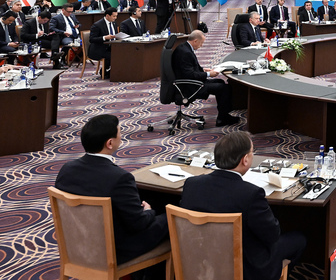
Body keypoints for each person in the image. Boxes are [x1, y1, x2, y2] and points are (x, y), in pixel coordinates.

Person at [180, 131, 305, 280]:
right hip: (244, 269)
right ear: (245, 160)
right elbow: (272, 235)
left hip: (200, 261)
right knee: (299, 239)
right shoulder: (251, 194)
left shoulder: (191, 185)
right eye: (252, 152)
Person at [54, 114, 168, 263]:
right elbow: (138, 224)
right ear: (110, 143)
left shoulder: (66, 170)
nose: (121, 137)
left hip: (77, 245)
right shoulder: (120, 178)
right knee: (172, 217)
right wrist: (148, 211)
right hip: (114, 251)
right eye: (120, 133)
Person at [173, 29, 237, 126]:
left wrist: (203, 70)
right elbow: (189, 75)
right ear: (195, 41)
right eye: (201, 43)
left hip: (190, 81)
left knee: (220, 82)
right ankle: (222, 118)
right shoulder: (186, 53)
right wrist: (208, 74)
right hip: (190, 86)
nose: (201, 45)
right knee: (224, 88)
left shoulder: (184, 47)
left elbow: (189, 69)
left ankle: (224, 114)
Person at [50, 2, 82, 69]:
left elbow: (79, 23)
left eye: (71, 11)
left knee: (86, 41)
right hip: (65, 36)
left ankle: (80, 58)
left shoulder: (72, 16)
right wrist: (63, 32)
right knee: (68, 43)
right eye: (68, 12)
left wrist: (78, 25)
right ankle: (62, 58)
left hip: (76, 35)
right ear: (63, 10)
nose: (70, 13)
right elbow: (52, 28)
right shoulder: (56, 18)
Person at [88, 8, 118, 77]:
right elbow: (92, 39)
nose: (115, 18)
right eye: (114, 16)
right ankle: (104, 72)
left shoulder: (114, 23)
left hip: (111, 47)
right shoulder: (97, 25)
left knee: (123, 53)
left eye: (116, 16)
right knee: (113, 56)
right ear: (107, 16)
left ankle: (114, 71)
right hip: (99, 49)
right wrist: (104, 38)